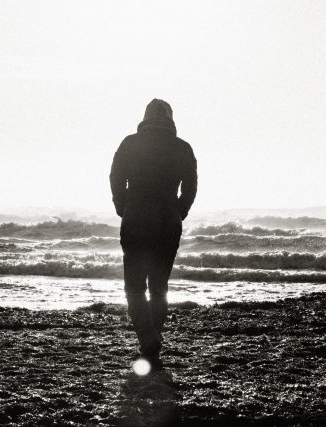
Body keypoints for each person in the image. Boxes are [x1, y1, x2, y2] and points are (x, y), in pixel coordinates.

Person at [109, 99, 197, 371]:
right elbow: (191, 187)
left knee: (134, 286)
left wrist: (122, 206)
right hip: (167, 222)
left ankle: (148, 338)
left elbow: (115, 177)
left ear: (145, 117)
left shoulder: (130, 143)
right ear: (170, 118)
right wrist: (178, 212)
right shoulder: (182, 147)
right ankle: (153, 336)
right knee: (159, 286)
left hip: (135, 219)